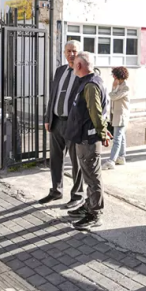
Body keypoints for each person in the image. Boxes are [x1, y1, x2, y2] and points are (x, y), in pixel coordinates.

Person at [64, 51, 110, 230]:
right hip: (83, 137)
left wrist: (103, 133)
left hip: (88, 140)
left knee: (92, 177)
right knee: (88, 175)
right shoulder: (90, 81)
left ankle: (95, 213)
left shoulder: (90, 85)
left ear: (79, 65)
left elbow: (96, 113)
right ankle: (89, 205)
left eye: (74, 63)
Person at [41, 41, 85, 210]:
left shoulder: (84, 72)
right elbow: (53, 96)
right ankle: (56, 190)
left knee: (76, 162)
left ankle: (77, 195)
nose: (71, 54)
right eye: (68, 51)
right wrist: (48, 118)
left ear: (79, 53)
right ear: (64, 53)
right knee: (55, 159)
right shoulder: (60, 71)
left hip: (73, 124)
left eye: (74, 51)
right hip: (56, 122)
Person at [103, 67, 130, 169]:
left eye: (114, 75)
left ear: (119, 75)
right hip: (116, 115)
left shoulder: (126, 87)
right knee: (121, 137)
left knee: (117, 139)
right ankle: (121, 157)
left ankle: (112, 160)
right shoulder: (118, 85)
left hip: (121, 116)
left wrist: (114, 88)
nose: (113, 77)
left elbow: (113, 96)